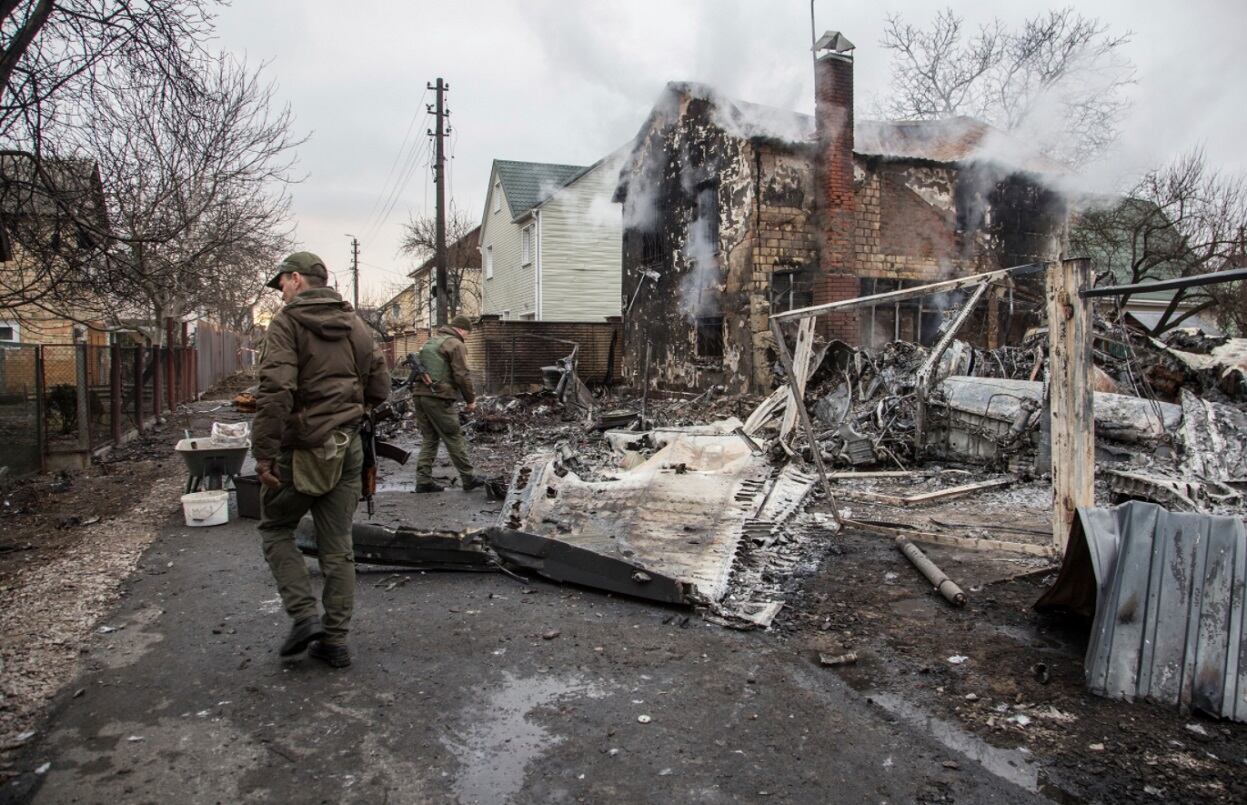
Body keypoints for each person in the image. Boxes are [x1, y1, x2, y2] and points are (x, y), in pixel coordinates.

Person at [251, 251, 390, 669]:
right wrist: (351, 408)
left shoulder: (288, 323)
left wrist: (263, 453)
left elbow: (276, 390)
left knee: (276, 528)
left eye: (281, 284)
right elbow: (380, 385)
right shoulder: (356, 325)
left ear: (297, 279)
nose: (280, 293)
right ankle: (334, 641)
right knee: (338, 546)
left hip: (302, 449)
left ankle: (304, 616)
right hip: (347, 446)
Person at [411, 314, 484, 493]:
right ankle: (468, 478)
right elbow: (462, 375)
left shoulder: (432, 341)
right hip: (438, 397)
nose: (467, 336)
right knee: (453, 436)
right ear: (461, 329)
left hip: (420, 394)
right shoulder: (455, 344)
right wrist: (471, 400)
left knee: (430, 437)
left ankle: (423, 480)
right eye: (467, 333)